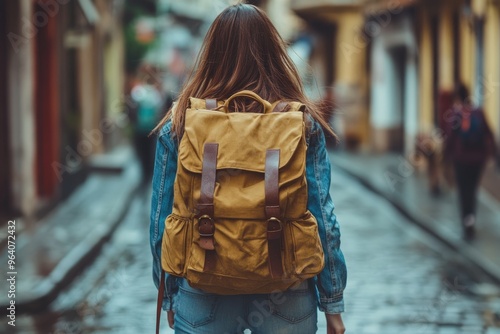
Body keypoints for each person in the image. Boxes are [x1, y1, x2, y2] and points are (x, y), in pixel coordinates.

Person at [149, 4, 347, 333]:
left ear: (211, 53)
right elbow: (324, 219)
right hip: (286, 289)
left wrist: (169, 293)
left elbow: (161, 219)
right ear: (273, 52)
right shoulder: (301, 124)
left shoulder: (180, 124)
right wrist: (333, 303)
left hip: (202, 288)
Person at [444, 83, 497, 239]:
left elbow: (449, 137)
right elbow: (490, 133)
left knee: (464, 190)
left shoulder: (455, 114)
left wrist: (447, 157)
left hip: (461, 159)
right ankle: (471, 219)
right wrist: (494, 155)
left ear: (458, 97)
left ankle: (466, 221)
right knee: (472, 189)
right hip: (478, 159)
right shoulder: (478, 112)